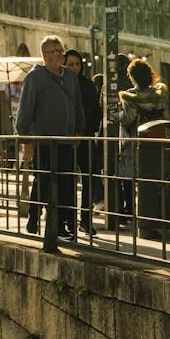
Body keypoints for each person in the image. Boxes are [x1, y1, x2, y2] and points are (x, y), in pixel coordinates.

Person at [16, 35, 85, 251]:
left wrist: (79, 130)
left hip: (66, 140)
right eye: (54, 51)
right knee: (44, 181)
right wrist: (27, 140)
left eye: (60, 50)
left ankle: (62, 224)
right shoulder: (35, 78)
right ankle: (35, 216)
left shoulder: (70, 78)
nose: (59, 55)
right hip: (45, 141)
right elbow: (25, 111)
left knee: (66, 183)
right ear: (45, 56)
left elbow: (77, 104)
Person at [117, 59, 168, 229]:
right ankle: (154, 210)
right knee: (153, 177)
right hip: (155, 141)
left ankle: (129, 210)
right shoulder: (159, 96)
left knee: (128, 178)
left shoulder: (130, 97)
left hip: (134, 142)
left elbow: (127, 119)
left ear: (133, 77)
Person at [64, 49, 103, 236]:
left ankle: (86, 221)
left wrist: (90, 130)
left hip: (86, 138)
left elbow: (95, 110)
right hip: (68, 139)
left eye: (77, 64)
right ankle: (70, 221)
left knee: (89, 179)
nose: (74, 68)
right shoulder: (61, 83)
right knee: (68, 181)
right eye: (70, 64)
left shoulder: (87, 85)